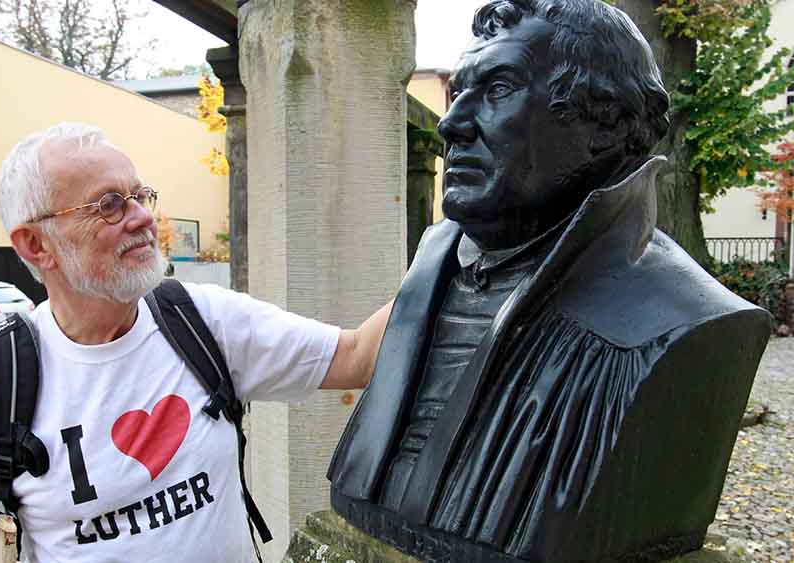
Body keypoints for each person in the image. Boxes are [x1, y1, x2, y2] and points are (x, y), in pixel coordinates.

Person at [327, 1, 771, 562]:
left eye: (498, 89)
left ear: (606, 124)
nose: (451, 122)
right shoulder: (432, 272)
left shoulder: (681, 324)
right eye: (458, 91)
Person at [0, 122, 392, 563]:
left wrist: (440, 251)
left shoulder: (202, 321)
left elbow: (357, 356)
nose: (142, 218)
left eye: (140, 196)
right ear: (36, 244)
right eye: (109, 205)